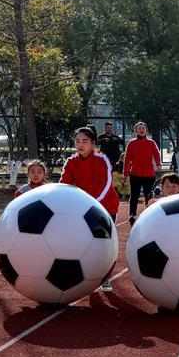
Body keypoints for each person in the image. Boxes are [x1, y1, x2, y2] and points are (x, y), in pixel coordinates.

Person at [61, 125, 119, 291]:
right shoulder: (71, 161)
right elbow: (64, 184)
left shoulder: (102, 159)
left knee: (104, 244)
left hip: (105, 208)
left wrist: (93, 204)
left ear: (93, 142)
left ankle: (106, 276)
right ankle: (84, 276)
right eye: (77, 141)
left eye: (85, 141)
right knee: (81, 243)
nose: (80, 144)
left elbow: (106, 184)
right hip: (80, 210)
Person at [123, 121, 161, 225]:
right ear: (135, 131)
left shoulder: (151, 143)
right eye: (139, 128)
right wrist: (125, 174)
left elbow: (156, 154)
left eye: (143, 128)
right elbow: (127, 160)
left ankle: (149, 214)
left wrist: (158, 164)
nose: (141, 130)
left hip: (149, 174)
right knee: (134, 195)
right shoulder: (131, 143)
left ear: (146, 131)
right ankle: (132, 214)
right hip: (135, 174)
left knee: (148, 196)